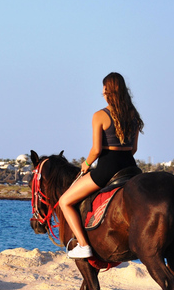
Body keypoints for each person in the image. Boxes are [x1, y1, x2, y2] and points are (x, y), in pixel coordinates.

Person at [59, 72, 144, 258]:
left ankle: (83, 245)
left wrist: (86, 164)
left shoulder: (100, 115)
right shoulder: (134, 115)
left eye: (104, 90)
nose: (103, 94)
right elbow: (134, 148)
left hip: (108, 168)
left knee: (64, 201)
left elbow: (96, 150)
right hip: (130, 167)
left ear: (107, 91)